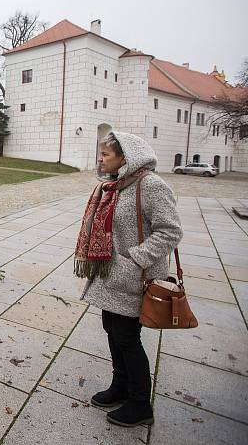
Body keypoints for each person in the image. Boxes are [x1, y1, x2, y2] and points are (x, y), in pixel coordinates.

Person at [75, 131, 182, 427]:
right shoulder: (117, 186)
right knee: (112, 328)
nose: (100, 159)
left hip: (134, 276)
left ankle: (139, 404)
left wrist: (134, 258)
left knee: (126, 336)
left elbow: (170, 231)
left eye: (106, 154)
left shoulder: (150, 186)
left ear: (126, 158)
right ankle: (120, 385)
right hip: (112, 275)